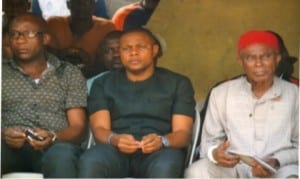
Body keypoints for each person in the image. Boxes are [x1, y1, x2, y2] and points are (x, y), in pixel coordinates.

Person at [78, 27, 196, 178]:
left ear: (154, 50)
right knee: (91, 160)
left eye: (140, 47)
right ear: (120, 53)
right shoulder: (103, 83)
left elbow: (183, 133)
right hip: (115, 149)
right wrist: (115, 139)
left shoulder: (178, 83)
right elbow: (100, 128)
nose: (133, 52)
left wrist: (162, 141)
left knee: (166, 166)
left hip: (160, 151)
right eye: (126, 48)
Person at [185, 30, 298, 178]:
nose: (258, 63)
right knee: (197, 171)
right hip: (234, 167)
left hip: (280, 169)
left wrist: (276, 161)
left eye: (266, 56)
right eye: (250, 58)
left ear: (277, 59)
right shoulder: (221, 93)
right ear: (241, 61)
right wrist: (215, 154)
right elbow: (209, 142)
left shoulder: (295, 93)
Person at [1, 13, 87, 178]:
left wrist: (54, 136)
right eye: (14, 34)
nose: (20, 40)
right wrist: (3, 134)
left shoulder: (69, 73)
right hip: (7, 146)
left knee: (63, 157)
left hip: (55, 147)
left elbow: (78, 127)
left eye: (29, 34)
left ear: (45, 39)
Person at [46, 0, 116, 78]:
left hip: (92, 80)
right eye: (77, 2)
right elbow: (47, 59)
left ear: (94, 6)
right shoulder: (54, 24)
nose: (82, 6)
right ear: (68, 4)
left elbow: (106, 64)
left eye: (88, 2)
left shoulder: (107, 28)